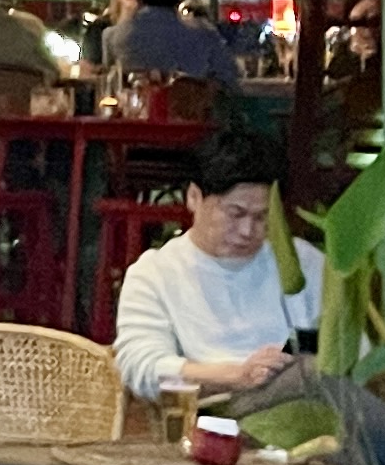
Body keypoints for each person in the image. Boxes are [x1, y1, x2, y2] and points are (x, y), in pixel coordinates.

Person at [112, 130, 318, 407]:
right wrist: (236, 376)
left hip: (307, 405)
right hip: (213, 408)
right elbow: (142, 369)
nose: (247, 231)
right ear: (194, 197)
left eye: (262, 217)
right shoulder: (155, 273)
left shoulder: (301, 262)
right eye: (235, 213)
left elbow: (351, 351)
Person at [105, 0, 240, 92]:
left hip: (136, 104)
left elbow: (109, 86)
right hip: (191, 104)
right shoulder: (204, 33)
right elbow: (230, 80)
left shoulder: (113, 36)